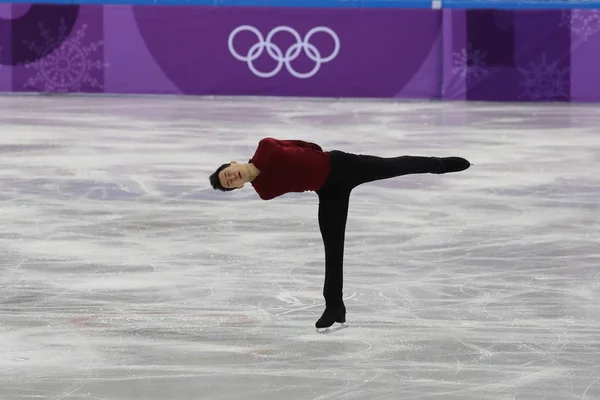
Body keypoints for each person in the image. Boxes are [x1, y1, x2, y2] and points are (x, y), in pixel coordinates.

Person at [209, 138, 470, 330]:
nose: (232, 177)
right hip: (327, 192)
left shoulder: (265, 146)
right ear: (239, 187)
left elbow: (306, 146)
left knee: (392, 166)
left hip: (342, 164)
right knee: (333, 250)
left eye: (228, 173)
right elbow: (294, 175)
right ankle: (334, 307)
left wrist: (319, 158)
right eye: (230, 182)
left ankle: (440, 165)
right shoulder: (263, 190)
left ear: (233, 164)